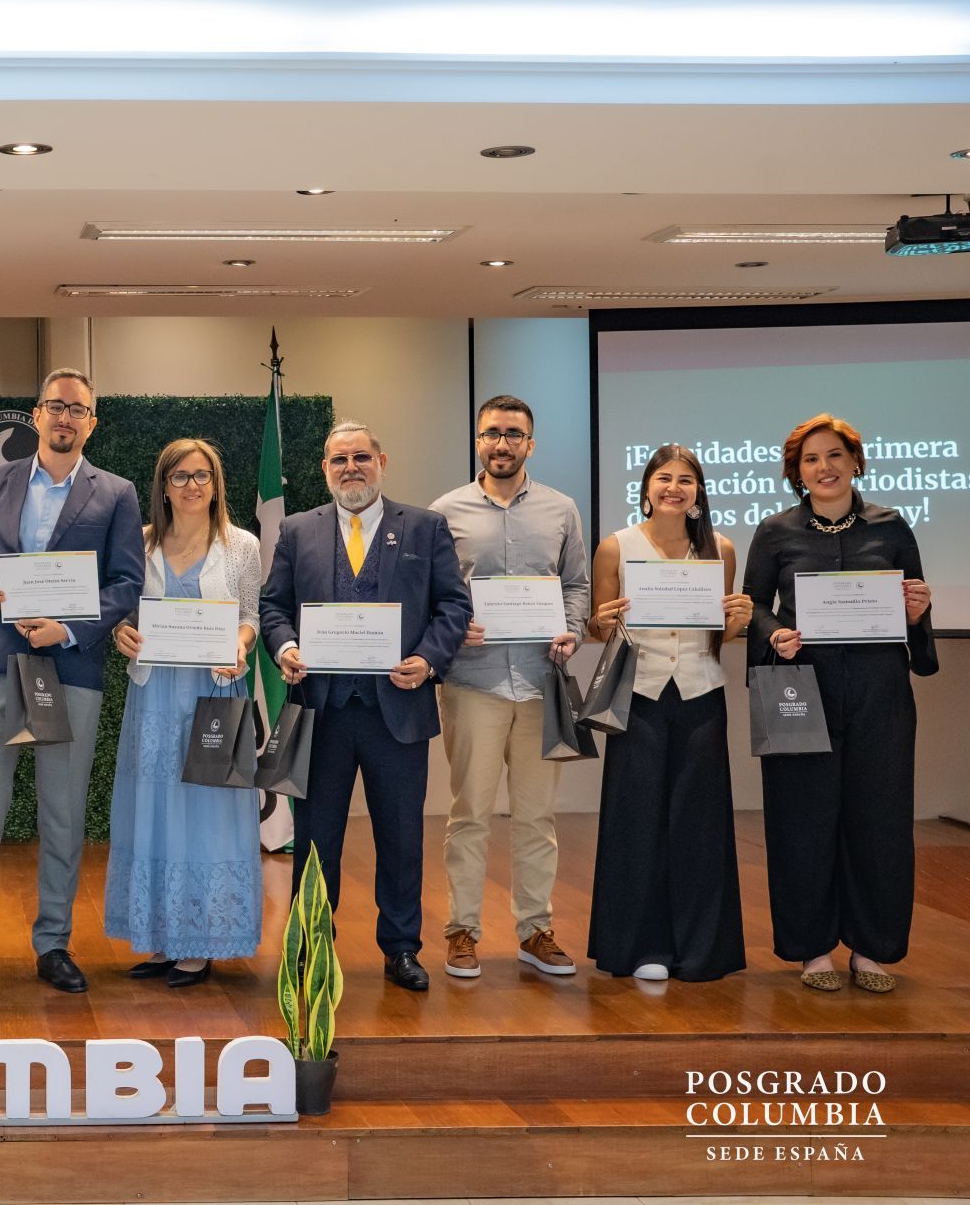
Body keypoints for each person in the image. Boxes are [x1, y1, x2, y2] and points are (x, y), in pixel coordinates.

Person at [0, 367, 146, 998]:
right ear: (36, 415)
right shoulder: (0, 480)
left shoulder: (117, 493)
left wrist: (71, 629)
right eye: (56, 406)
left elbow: (127, 583)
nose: (65, 417)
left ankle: (53, 942)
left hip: (71, 667)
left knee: (63, 809)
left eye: (77, 410)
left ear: (92, 423)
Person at [259, 421, 469, 992]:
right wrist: (286, 647)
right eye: (339, 460)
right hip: (321, 712)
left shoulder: (424, 527)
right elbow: (273, 607)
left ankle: (401, 948)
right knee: (315, 838)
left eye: (361, 457)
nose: (350, 468)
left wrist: (427, 660)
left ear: (382, 461)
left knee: (400, 838)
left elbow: (453, 606)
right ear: (324, 468)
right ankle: (311, 943)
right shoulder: (298, 530)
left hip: (397, 712)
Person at [744, 414, 936, 994]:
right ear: (796, 472)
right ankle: (812, 949)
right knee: (801, 818)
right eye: (810, 459)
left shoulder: (892, 525)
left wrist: (918, 611)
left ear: (855, 461)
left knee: (880, 819)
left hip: (880, 692)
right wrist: (774, 633)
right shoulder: (775, 530)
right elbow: (754, 604)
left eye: (834, 455)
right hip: (801, 689)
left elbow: (913, 602)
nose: (823, 467)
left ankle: (872, 949)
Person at [429, 395, 590, 981]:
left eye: (513, 434)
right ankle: (462, 932)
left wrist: (572, 630)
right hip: (472, 681)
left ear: (530, 444)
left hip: (541, 682)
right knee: (470, 813)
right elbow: (432, 595)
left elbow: (576, 585)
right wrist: (452, 630)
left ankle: (534, 930)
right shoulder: (444, 512)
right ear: (478, 441)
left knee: (537, 817)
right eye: (492, 433)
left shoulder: (561, 509)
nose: (502, 444)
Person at [585, 445, 752, 983]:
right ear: (646, 488)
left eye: (685, 480)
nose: (674, 488)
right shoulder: (616, 546)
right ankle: (640, 947)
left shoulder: (720, 548)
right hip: (639, 695)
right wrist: (602, 621)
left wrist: (740, 619)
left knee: (699, 823)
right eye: (664, 478)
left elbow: (721, 634)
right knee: (636, 820)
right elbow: (597, 628)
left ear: (698, 492)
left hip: (702, 694)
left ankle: (700, 949)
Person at [105, 438, 263, 986]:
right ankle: (158, 937)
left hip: (213, 695)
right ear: (164, 487)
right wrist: (122, 633)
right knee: (152, 809)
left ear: (216, 485)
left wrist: (240, 644)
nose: (192, 486)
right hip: (153, 696)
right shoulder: (140, 542)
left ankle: (200, 940)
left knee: (207, 811)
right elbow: (124, 612)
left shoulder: (241, 546)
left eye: (202, 476)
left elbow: (251, 615)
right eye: (180, 476)